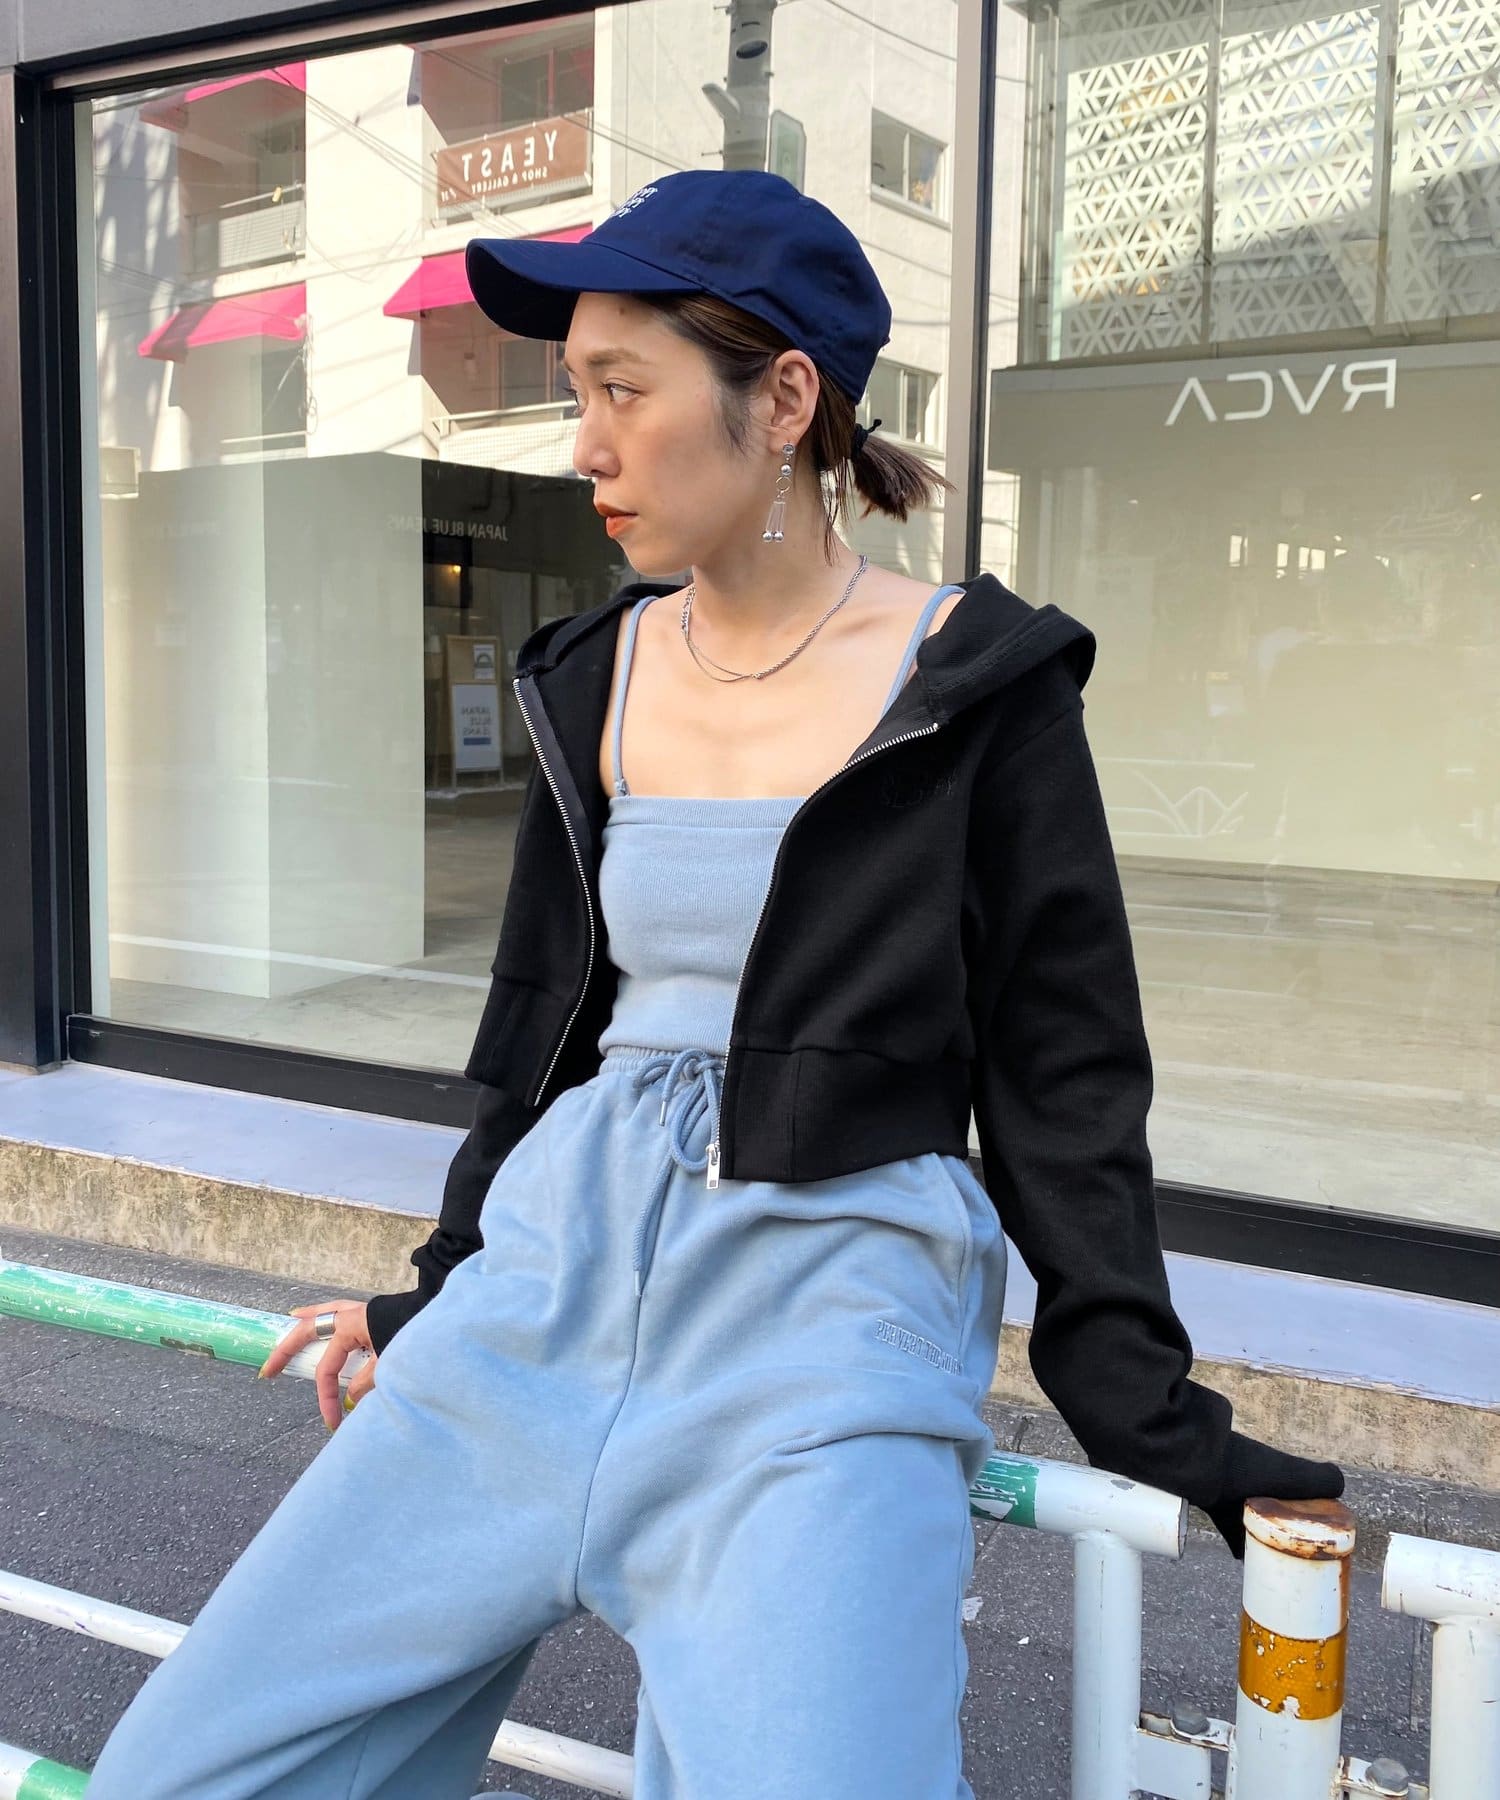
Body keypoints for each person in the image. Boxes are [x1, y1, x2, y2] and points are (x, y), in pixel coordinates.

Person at [88, 169, 1343, 1800]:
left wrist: (1150, 1415)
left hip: (819, 1347)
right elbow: (542, 1034)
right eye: (575, 394)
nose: (584, 446)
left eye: (623, 389)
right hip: (539, 1307)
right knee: (189, 1772)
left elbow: (1066, 1076)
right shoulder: (590, 672)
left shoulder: (982, 686)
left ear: (786, 400)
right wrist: (437, 1290)